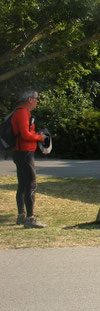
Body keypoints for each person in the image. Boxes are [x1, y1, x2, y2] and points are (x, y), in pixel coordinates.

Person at [11, 90, 47, 228]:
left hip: (20, 152)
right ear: (30, 100)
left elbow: (24, 133)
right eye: (37, 99)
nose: (37, 101)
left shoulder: (21, 112)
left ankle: (21, 215)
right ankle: (30, 218)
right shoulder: (22, 112)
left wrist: (35, 134)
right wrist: (40, 137)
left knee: (23, 184)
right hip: (24, 152)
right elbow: (25, 135)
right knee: (31, 184)